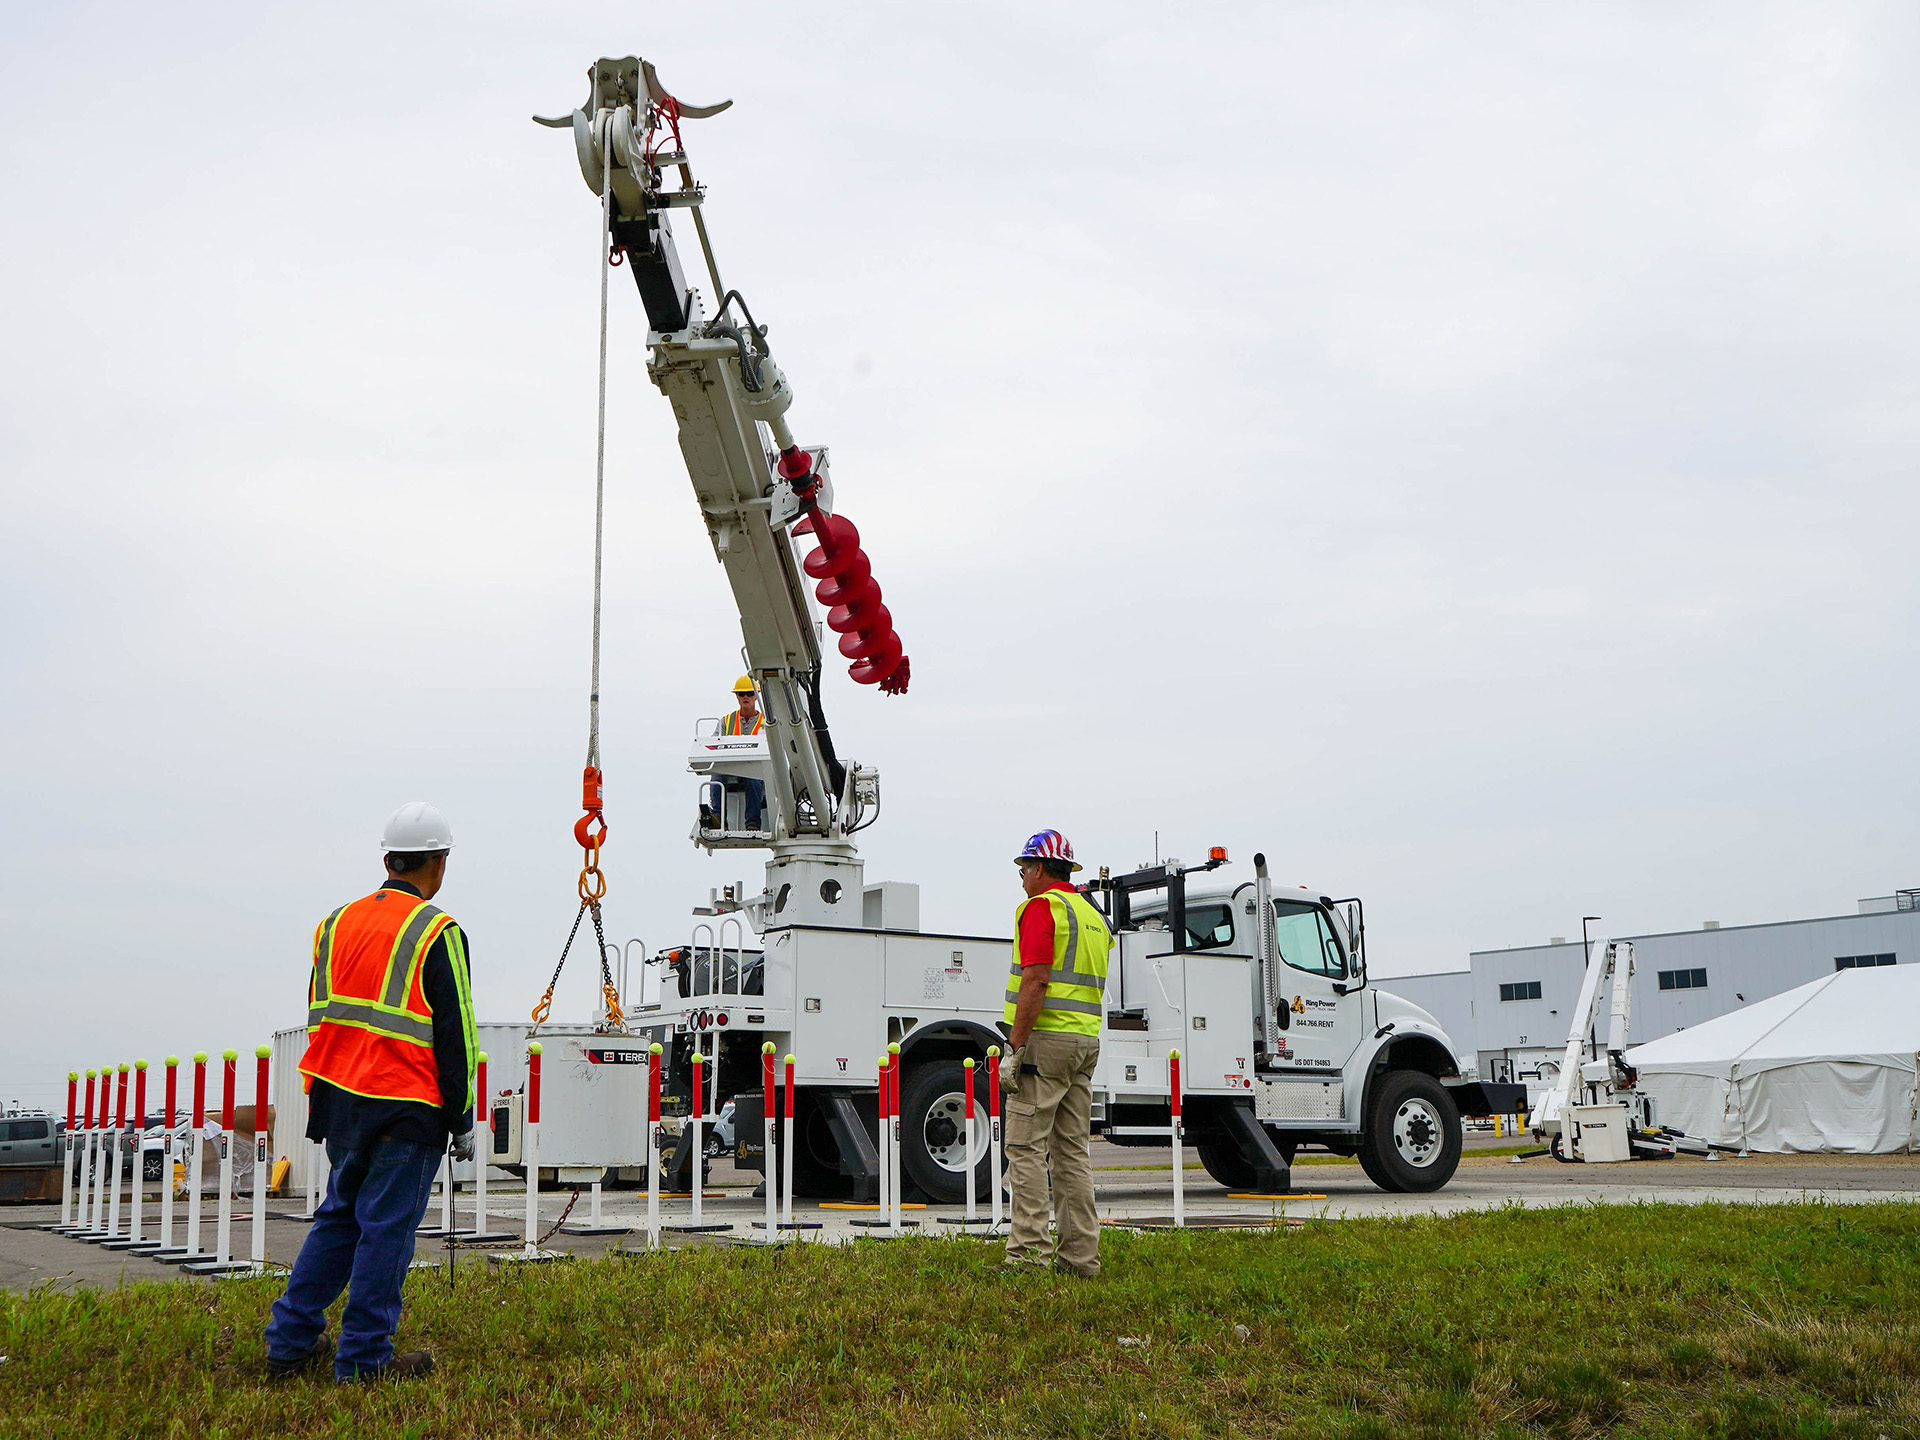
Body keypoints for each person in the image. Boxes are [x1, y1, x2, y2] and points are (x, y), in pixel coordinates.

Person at [264, 802, 477, 1382]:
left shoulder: (334, 924)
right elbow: (455, 1030)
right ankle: (362, 1360)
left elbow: (321, 1015)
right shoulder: (437, 931)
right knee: (386, 1231)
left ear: (388, 859)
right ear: (439, 864)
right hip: (407, 1106)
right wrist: (462, 1117)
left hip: (340, 1101)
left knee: (338, 1220)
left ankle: (288, 1343)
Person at [1000, 829, 1112, 1277]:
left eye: (1024, 869)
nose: (1022, 878)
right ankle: (1081, 1259)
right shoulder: (1091, 916)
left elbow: (1037, 979)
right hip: (1084, 1043)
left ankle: (1028, 1256)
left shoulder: (1041, 907)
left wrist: (1016, 1045)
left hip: (1045, 1043)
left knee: (1024, 1146)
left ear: (1042, 868)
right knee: (1071, 1152)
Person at [715, 675, 766, 831]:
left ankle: (753, 823)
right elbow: (714, 744)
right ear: (736, 696)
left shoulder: (767, 721)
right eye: (741, 694)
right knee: (716, 775)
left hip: (757, 770)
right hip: (731, 767)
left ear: (756, 696)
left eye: (750, 693)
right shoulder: (726, 721)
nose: (745, 697)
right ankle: (718, 819)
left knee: (753, 778)